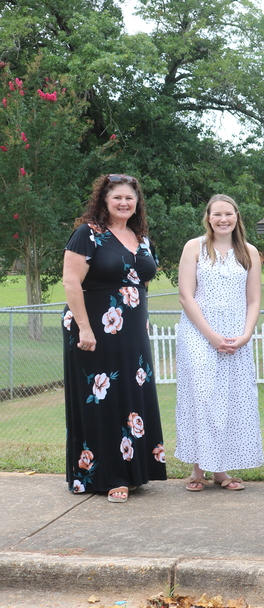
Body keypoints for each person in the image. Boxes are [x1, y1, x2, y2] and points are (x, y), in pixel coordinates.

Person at [62, 174, 166, 503]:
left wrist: (141, 322)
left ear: (137, 203)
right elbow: (70, 282)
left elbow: (141, 285)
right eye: (117, 197)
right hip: (95, 329)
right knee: (102, 401)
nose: (124, 203)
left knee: (132, 397)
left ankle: (135, 472)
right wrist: (85, 328)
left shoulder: (140, 236)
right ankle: (109, 476)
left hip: (132, 333)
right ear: (104, 201)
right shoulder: (88, 234)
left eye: (129, 198)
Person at [175, 195, 263, 492]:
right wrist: (211, 336)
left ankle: (221, 471)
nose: (223, 219)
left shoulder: (248, 252)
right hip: (199, 334)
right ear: (208, 217)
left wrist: (246, 334)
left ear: (237, 216)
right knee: (203, 397)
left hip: (236, 335)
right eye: (217, 214)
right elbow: (186, 295)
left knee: (230, 398)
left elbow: (253, 299)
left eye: (228, 214)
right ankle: (198, 469)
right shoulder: (194, 248)